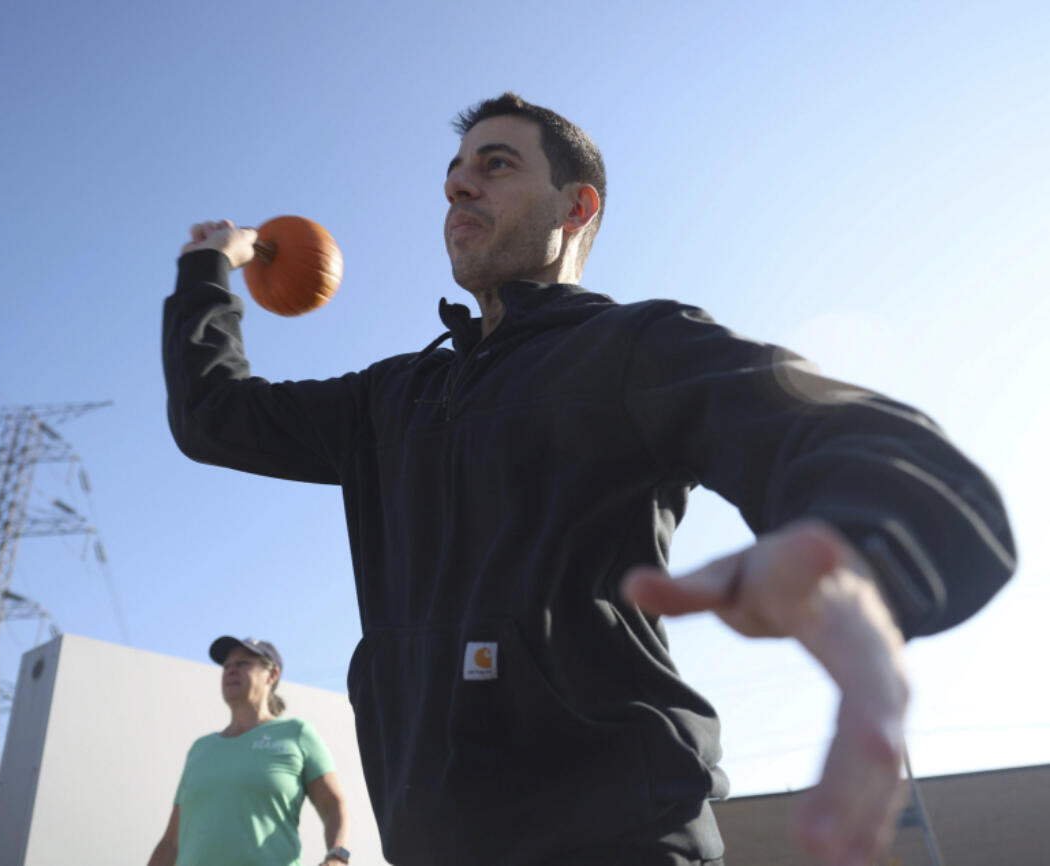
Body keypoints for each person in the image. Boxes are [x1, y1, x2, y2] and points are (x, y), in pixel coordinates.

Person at [161, 93, 1016, 865]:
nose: (460, 188)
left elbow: (857, 443)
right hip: (432, 848)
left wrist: (858, 558)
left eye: (496, 166)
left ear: (578, 205)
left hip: (617, 841)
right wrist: (208, 270)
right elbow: (213, 418)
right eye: (454, 175)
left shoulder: (632, 349)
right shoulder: (390, 399)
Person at [148, 637, 351, 866]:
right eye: (226, 666)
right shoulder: (200, 749)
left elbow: (334, 804)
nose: (231, 670)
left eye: (243, 663)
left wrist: (337, 856)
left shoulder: (296, 733)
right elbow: (170, 843)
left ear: (272, 674)